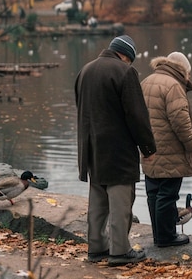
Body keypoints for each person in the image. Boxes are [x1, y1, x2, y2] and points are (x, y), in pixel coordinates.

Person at [75, 35, 157, 266]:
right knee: (121, 200)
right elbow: (137, 115)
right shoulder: (124, 72)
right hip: (117, 150)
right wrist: (148, 147)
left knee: (98, 200)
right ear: (125, 56)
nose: (129, 65)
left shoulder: (85, 70)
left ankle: (97, 248)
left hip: (91, 148)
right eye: (130, 60)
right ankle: (120, 251)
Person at [140, 52, 192, 248]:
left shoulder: (147, 81)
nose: (189, 77)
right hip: (170, 150)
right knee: (168, 194)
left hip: (149, 148)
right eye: (189, 73)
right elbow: (181, 122)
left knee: (153, 192)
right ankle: (167, 237)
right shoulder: (173, 86)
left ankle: (158, 235)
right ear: (181, 69)